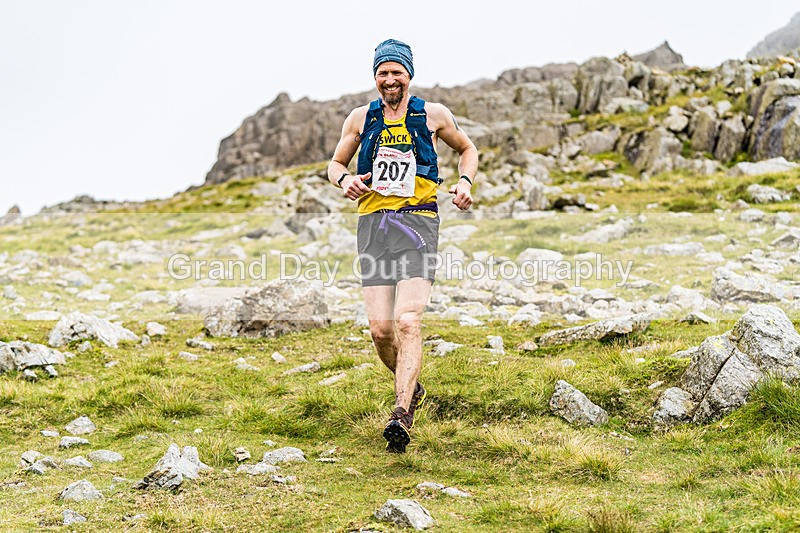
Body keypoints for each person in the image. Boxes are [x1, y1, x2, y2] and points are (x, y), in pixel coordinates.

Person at [327, 39, 478, 453]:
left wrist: (465, 182)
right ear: (375, 77)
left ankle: (401, 413)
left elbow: (467, 148)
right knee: (381, 331)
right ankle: (413, 387)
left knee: (408, 320)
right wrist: (345, 180)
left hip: (418, 223)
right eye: (383, 73)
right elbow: (334, 164)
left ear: (409, 74)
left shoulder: (433, 114)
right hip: (373, 226)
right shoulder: (360, 118)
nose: (390, 79)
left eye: (397, 72)